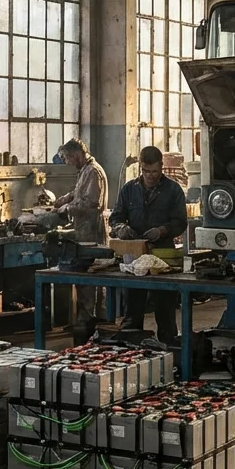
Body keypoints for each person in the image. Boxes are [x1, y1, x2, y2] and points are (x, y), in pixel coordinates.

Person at [110, 146, 188, 343]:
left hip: (163, 258)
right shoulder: (129, 190)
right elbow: (116, 217)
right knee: (133, 309)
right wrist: (120, 228)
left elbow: (181, 222)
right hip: (135, 258)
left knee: (165, 310)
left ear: (161, 167)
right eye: (146, 171)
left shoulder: (173, 190)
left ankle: (169, 349)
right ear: (140, 168)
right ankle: (132, 351)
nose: (150, 176)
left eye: (154, 171)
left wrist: (162, 231)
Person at [55, 138, 108, 323]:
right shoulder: (85, 170)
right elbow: (80, 194)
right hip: (84, 231)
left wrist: (66, 209)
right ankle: (89, 319)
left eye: (68, 159)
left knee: (90, 278)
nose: (68, 163)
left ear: (76, 155)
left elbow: (91, 202)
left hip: (92, 232)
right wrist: (65, 199)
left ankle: (92, 321)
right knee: (86, 278)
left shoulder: (93, 171)